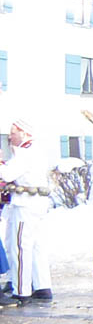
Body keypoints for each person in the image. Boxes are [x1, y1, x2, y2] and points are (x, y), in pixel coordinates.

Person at [0, 119, 53, 307]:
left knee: (21, 248)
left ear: (24, 133)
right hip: (37, 204)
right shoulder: (37, 150)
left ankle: (21, 290)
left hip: (25, 204)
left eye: (13, 133)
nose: (10, 137)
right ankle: (42, 286)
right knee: (37, 247)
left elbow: (7, 174)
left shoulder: (24, 152)